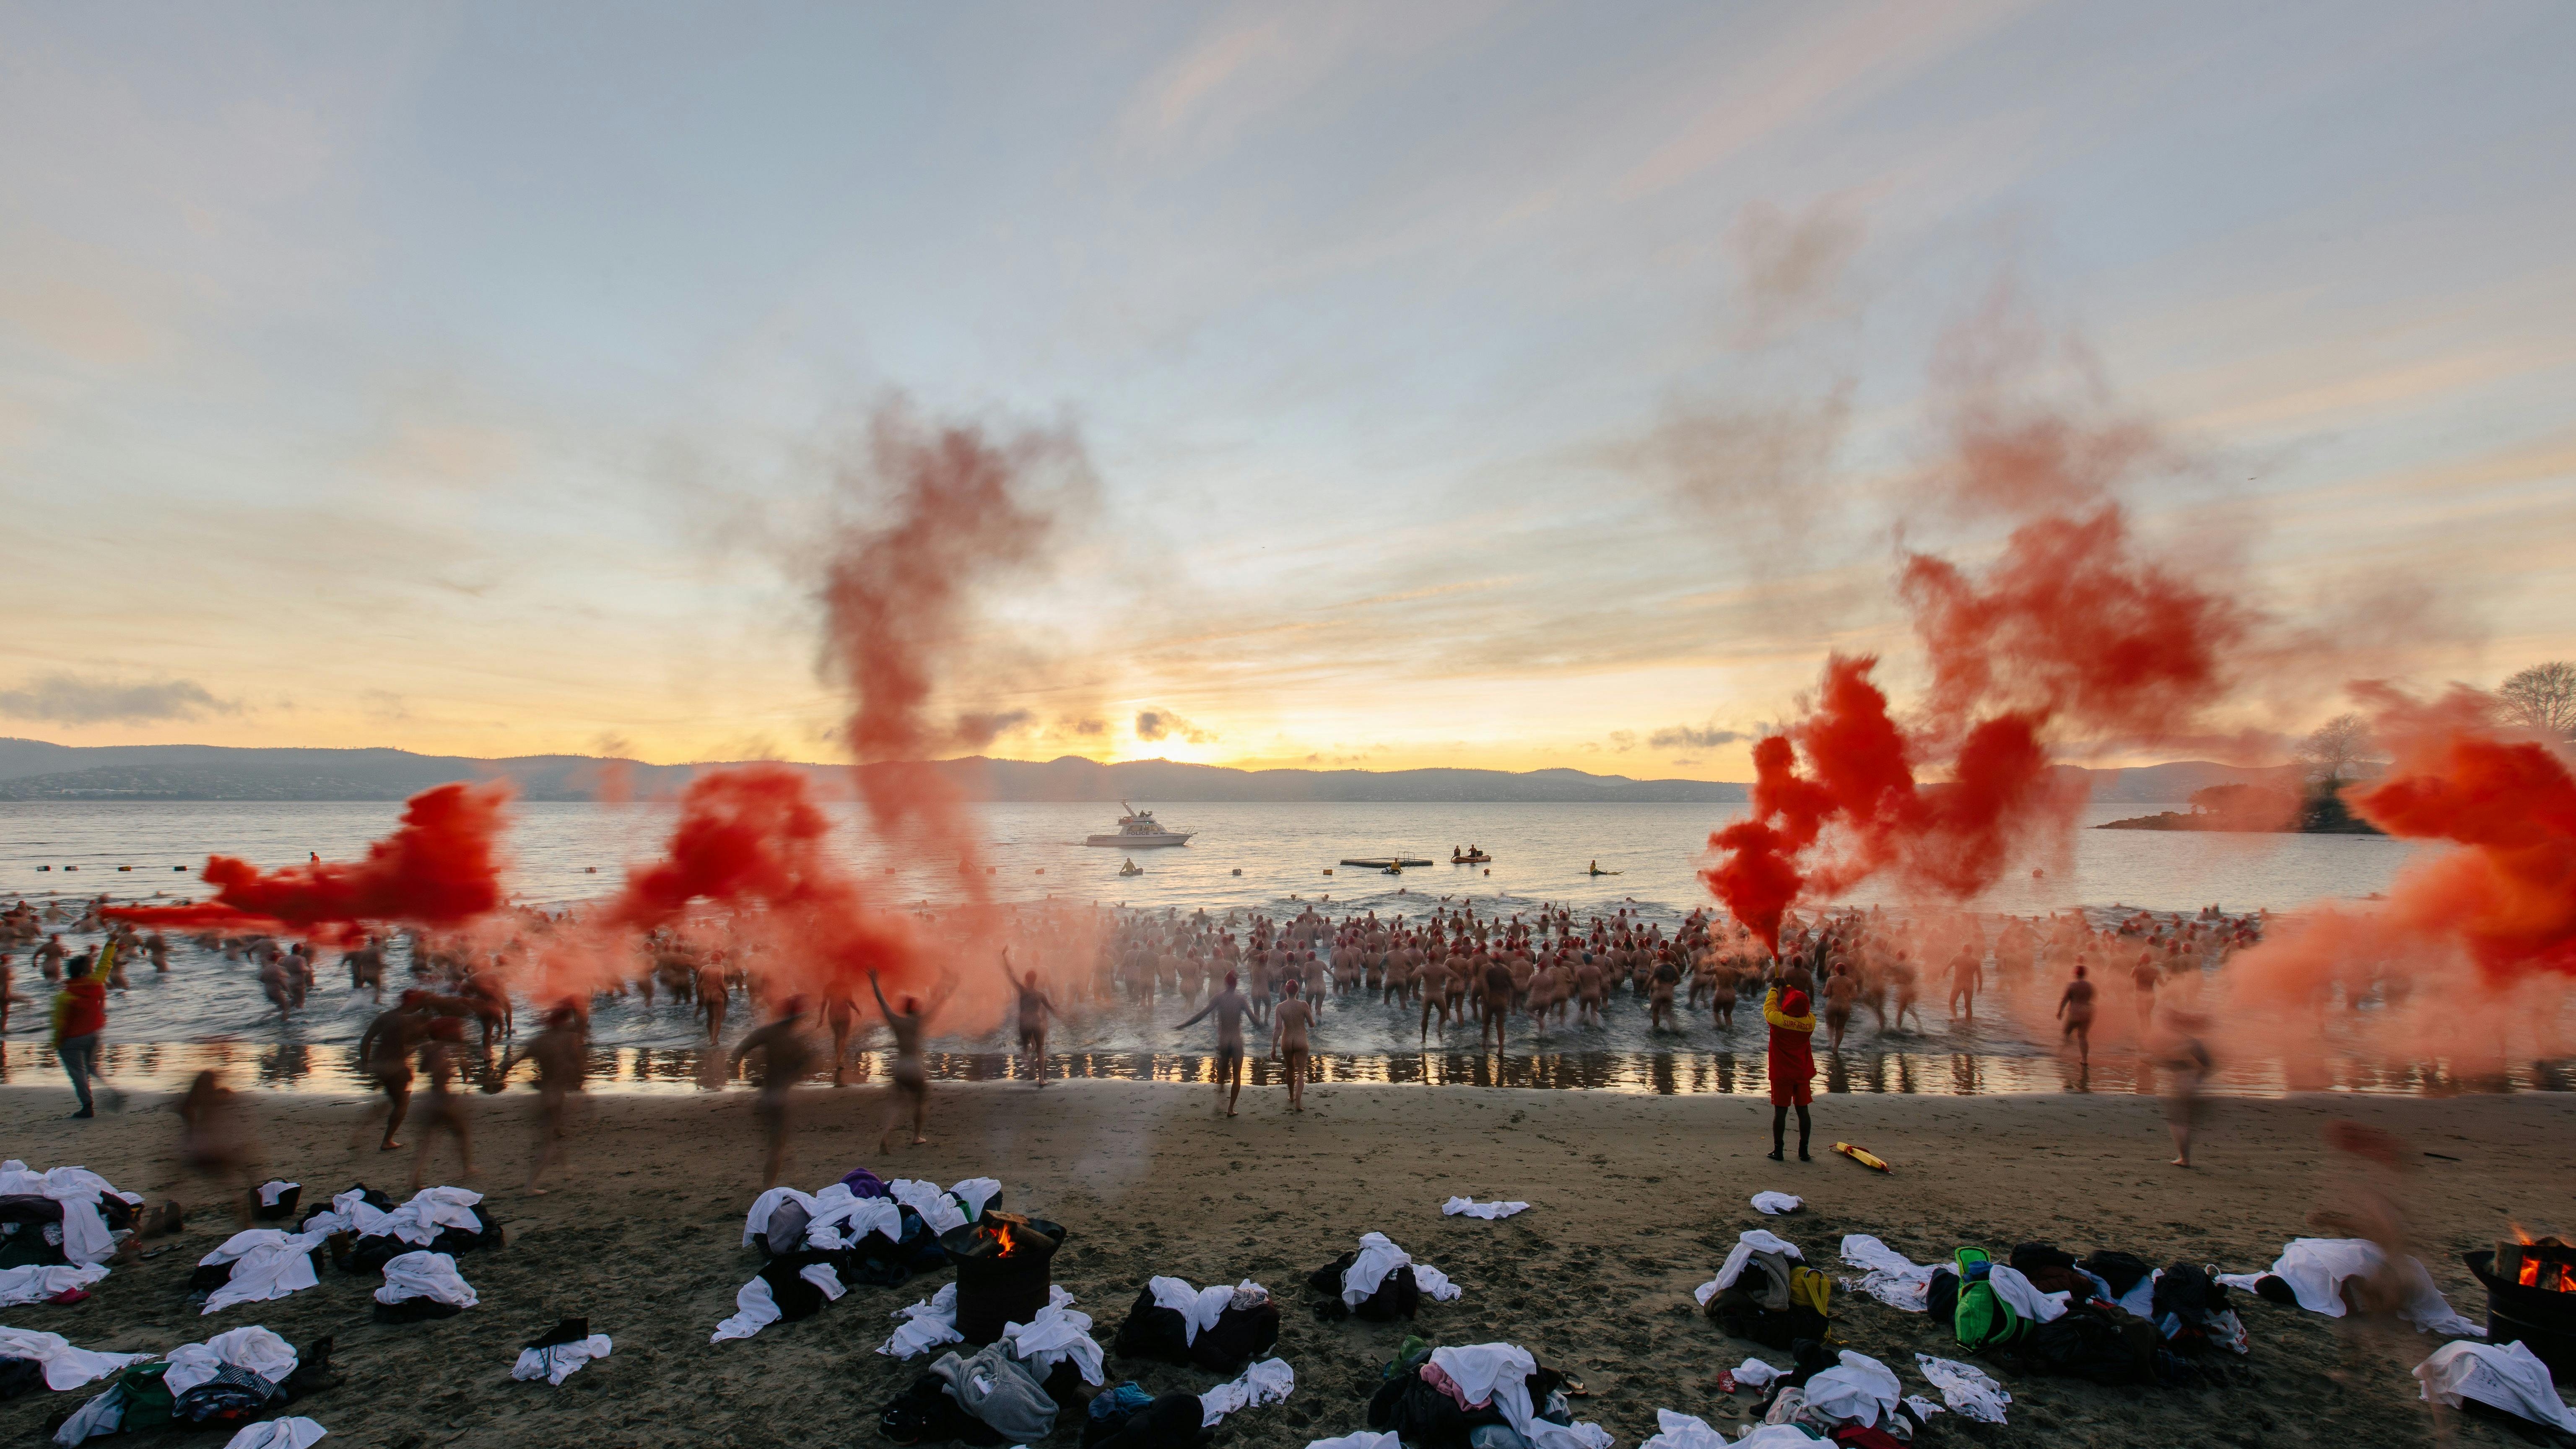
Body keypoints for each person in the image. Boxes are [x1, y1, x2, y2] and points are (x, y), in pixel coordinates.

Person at [493, 1005, 587, 1193]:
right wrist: (580, 1087)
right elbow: (578, 1069)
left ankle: (566, 1167)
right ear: (563, 1022)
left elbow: (509, 1064)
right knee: (548, 1142)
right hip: (557, 1096)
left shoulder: (539, 1041)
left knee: (555, 1132)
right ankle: (530, 1186)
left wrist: (504, 1076)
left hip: (543, 1095)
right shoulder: (570, 1040)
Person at [728, 998, 816, 1190]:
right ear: (797, 1019)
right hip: (780, 1098)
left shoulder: (768, 1033)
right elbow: (807, 1066)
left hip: (765, 1098)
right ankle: (768, 1188)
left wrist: (742, 1079)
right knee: (776, 1147)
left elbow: (740, 1051)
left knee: (774, 1142)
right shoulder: (795, 1042)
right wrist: (790, 1077)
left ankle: (781, 1169)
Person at [870, 970, 955, 1153]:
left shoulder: (896, 1021)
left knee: (895, 1104)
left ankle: (885, 1135)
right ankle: (916, 1136)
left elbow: (882, 1003)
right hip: (915, 1067)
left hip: (900, 1066)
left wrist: (874, 982)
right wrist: (947, 986)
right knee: (921, 1101)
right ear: (916, 1009)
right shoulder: (919, 1022)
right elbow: (935, 1004)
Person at [175, 1070, 262, 1227]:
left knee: (237, 1177)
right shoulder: (209, 1099)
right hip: (208, 1155)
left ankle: (247, 1211)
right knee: (240, 1177)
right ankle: (248, 1214)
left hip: (196, 1152)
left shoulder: (192, 1102)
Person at [356, 993, 428, 1151]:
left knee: (392, 1099)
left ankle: (362, 1130)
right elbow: (402, 1049)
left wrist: (365, 1062)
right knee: (402, 1103)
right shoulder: (408, 1021)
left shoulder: (386, 1017)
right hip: (395, 1067)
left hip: (378, 1066)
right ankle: (387, 1141)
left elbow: (366, 1040)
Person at [410, 1018, 475, 1190]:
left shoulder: (428, 1049)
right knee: (461, 1133)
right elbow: (449, 1072)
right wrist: (457, 1072)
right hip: (443, 1099)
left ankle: (415, 1178)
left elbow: (422, 1069)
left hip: (430, 1099)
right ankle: (467, 1168)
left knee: (425, 1141)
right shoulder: (446, 1050)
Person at [1176, 969, 1252, 1116]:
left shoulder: (1219, 998)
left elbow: (1202, 1015)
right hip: (1236, 1042)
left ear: (1225, 983)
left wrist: (1184, 1025)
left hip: (1224, 1042)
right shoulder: (1241, 999)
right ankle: (1231, 1109)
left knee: (1222, 1074)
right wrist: (1265, 1029)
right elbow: (1253, 1019)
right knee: (1237, 1076)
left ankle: (1220, 1101)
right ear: (1236, 985)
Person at [1763, 974, 1815, 1162]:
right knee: (1803, 1111)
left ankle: (1779, 1150)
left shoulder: (1778, 1021)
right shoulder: (1810, 1022)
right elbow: (1801, 1003)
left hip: (1782, 1073)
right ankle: (1804, 1151)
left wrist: (1774, 989)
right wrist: (1788, 988)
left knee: (1781, 1112)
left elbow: (1769, 1007)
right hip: (1802, 1072)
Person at [52, 956, 108, 1119]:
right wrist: (111, 944)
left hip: (72, 1039)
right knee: (90, 1067)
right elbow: (105, 966)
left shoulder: (65, 996)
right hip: (94, 1034)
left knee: (78, 1072)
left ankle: (87, 1106)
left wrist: (57, 1042)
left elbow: (59, 1023)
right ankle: (108, 1088)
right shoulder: (96, 987)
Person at [2157, 1008, 2212, 1168]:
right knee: (2185, 1121)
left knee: (2177, 1122)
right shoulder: (2193, 1041)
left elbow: (2168, 1063)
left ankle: (2184, 1158)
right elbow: (2208, 1065)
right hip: (2192, 1082)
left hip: (2180, 1081)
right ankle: (2185, 1157)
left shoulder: (2173, 1043)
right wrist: (2198, 1079)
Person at [997, 951, 1061, 1086]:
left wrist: (1004, 958)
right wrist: (1065, 1018)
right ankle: (1042, 1080)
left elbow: (1011, 975)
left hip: (1025, 1023)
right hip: (1037, 1023)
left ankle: (1030, 1068)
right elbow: (1051, 1009)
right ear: (1035, 980)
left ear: (1026, 980)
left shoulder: (1022, 990)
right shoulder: (1040, 994)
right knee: (1041, 1050)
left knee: (1026, 1049)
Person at [1270, 977, 1315, 1113]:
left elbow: (1278, 1028)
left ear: (1286, 991)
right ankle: (1298, 1103)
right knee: (1301, 1072)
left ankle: (1291, 1096)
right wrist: (1313, 1021)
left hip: (1287, 1040)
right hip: (1301, 1040)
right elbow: (1312, 1024)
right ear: (1298, 991)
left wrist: (1273, 1048)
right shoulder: (1304, 1005)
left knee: (1290, 1069)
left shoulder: (1280, 1007)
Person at [2056, 963, 2096, 1066]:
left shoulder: (2072, 985)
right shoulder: (2090, 986)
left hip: (2074, 1012)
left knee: (2066, 1034)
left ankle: (2061, 1055)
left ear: (2075, 974)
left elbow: (2065, 1000)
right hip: (2087, 1012)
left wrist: (2060, 1011)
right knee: (2082, 1037)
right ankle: (2084, 1059)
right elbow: (2092, 998)